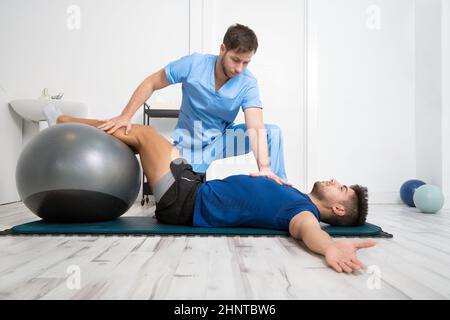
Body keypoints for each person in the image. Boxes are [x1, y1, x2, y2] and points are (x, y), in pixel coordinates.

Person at [43, 107, 376, 274]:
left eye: (341, 188)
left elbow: (308, 233)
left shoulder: (304, 214)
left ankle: (65, 122)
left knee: (143, 134)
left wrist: (330, 248)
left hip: (185, 201)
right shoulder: (295, 195)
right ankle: (84, 137)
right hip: (193, 185)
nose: (334, 180)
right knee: (145, 142)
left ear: (339, 210)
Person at [96, 23, 289, 185]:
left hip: (221, 139)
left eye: (245, 63)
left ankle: (281, 192)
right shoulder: (193, 64)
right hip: (189, 143)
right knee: (179, 199)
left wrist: (264, 167)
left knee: (272, 132)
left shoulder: (248, 83)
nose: (239, 68)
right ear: (222, 49)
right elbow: (152, 82)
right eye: (235, 60)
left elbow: (255, 125)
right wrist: (125, 116)